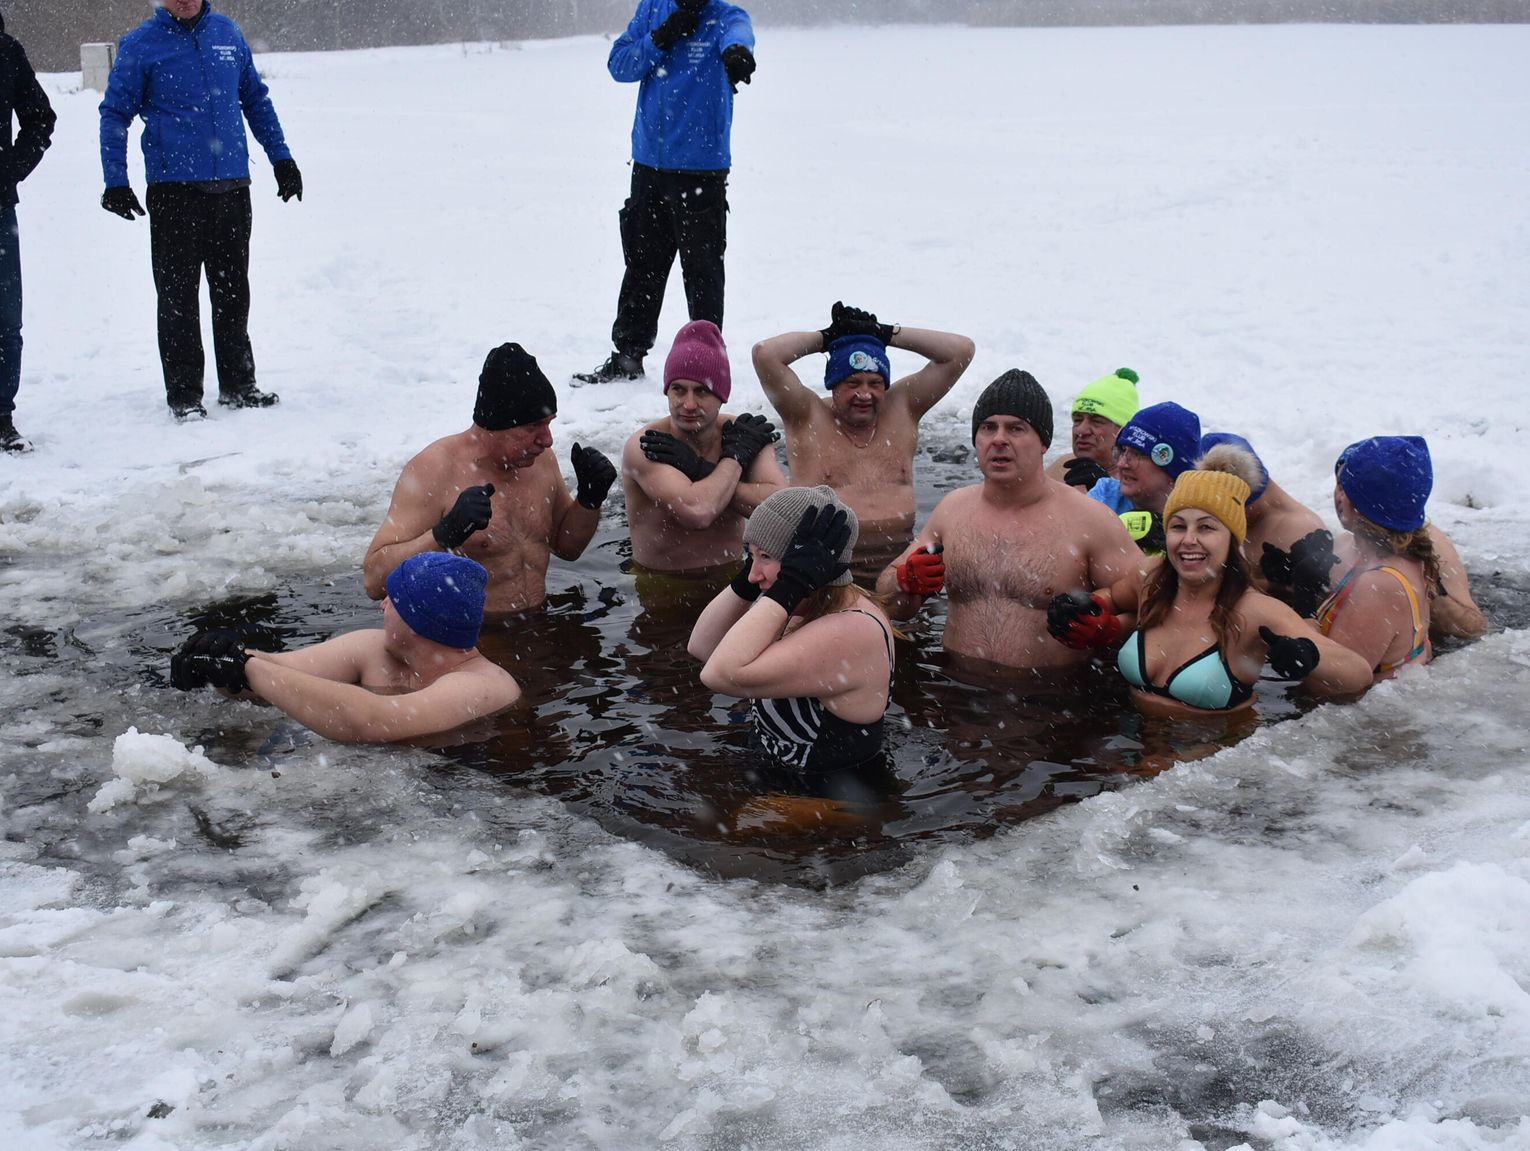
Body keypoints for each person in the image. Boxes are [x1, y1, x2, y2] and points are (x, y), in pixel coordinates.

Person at [1048, 445, 1373, 716]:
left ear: (1231, 540)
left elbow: (1357, 672)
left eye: (1206, 528)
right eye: (1178, 526)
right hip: (1134, 745)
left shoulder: (1254, 611)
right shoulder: (1151, 577)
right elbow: (1112, 597)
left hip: (1208, 766)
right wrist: (1084, 610)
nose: (1189, 540)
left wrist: (1307, 656)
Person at [99, 0, 302, 420]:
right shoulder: (140, 44)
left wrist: (281, 157)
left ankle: (239, 384)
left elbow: (255, 100)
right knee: (178, 296)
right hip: (175, 191)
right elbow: (115, 113)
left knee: (232, 292)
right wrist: (116, 181)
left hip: (231, 186)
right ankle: (185, 394)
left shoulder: (227, 34)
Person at [876, 370, 1140, 673]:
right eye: (988, 427)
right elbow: (888, 603)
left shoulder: (1089, 521)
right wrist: (905, 582)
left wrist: (1110, 630)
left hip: (1050, 700)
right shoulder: (953, 510)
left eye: (1016, 428)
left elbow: (1153, 602)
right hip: (956, 691)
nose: (999, 439)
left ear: (1043, 442)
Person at [576, 0, 756, 384]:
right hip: (649, 165)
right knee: (643, 264)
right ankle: (628, 356)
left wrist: (738, 54)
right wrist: (661, 36)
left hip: (701, 168)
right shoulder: (652, 9)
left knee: (703, 271)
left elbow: (739, 38)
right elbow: (619, 64)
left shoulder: (727, 17)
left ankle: (707, 365)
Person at [363, 343, 617, 615]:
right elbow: (374, 581)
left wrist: (589, 499)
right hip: (467, 641)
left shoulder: (541, 461)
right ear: (495, 425)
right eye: (533, 427)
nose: (547, 439)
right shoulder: (434, 471)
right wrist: (443, 535)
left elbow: (567, 548)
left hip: (538, 624)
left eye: (549, 424)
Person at [170, 553, 520, 743]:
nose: (381, 606)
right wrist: (226, 660)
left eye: (393, 599)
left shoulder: (482, 686)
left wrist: (249, 670)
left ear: (420, 621)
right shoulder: (373, 649)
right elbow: (285, 671)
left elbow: (371, 723)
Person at [753, 302, 975, 580]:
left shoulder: (903, 409)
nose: (864, 394)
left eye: (874, 383)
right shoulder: (807, 416)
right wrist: (827, 338)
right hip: (824, 568)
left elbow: (961, 351)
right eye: (853, 383)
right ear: (834, 384)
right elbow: (765, 355)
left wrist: (885, 334)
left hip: (898, 566)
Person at [688, 486, 895, 773]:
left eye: (766, 557)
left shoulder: (851, 629)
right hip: (775, 770)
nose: (753, 573)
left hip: (823, 797)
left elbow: (719, 675)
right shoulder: (796, 603)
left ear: (808, 564)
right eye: (750, 555)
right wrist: (755, 581)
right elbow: (703, 646)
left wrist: (790, 583)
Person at [623, 320, 786, 581]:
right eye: (678, 389)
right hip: (662, 585)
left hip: (734, 580)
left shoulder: (744, 434)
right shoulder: (647, 444)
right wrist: (733, 461)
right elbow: (698, 513)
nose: (688, 404)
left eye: (701, 391)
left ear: (721, 395)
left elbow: (784, 512)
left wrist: (702, 470)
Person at [1317, 436, 1440, 677]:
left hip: (1361, 713)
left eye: (1343, 486)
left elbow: (1330, 685)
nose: (1337, 495)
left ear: (1355, 502)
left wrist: (1301, 616)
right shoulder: (1408, 552)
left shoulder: (1379, 586)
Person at [1199, 431, 1337, 618]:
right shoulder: (1245, 518)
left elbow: (1316, 608)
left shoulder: (1299, 529)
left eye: (1233, 507)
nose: (1227, 516)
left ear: (1248, 490)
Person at [0, 11, 55, 454]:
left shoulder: (7, 50)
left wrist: (10, 172)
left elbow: (40, 118)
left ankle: (1, 415)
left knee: (4, 321)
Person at [1085, 400, 1202, 555]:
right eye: (1123, 451)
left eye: (1138, 455)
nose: (1122, 463)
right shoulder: (1107, 493)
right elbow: (1070, 540)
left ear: (1172, 468)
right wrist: (1123, 528)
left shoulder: (1201, 516)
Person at [1044, 367, 1140, 490]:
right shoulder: (1062, 468)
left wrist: (1108, 492)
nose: (1081, 431)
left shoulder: (1138, 481)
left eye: (1096, 421)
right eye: (1078, 420)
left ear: (1123, 432)